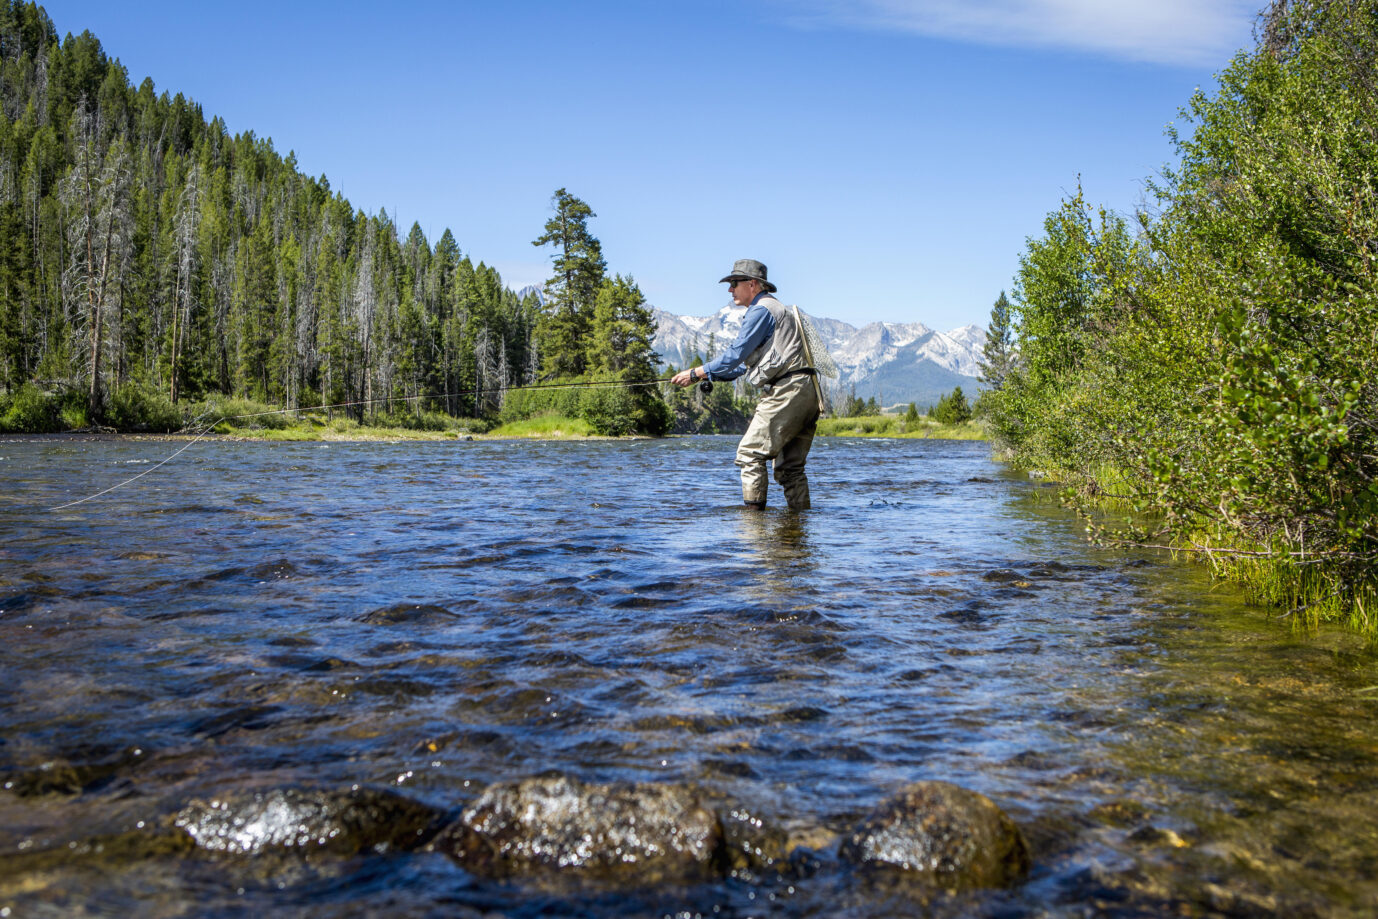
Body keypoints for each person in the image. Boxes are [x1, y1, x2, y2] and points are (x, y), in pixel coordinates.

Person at [671, 259, 820, 510]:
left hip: (787, 390)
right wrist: (710, 376)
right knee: (790, 468)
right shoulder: (776, 310)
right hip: (809, 392)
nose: (730, 290)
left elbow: (736, 353)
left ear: (752, 284)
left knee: (750, 453)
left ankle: (754, 525)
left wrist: (697, 373)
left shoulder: (761, 310)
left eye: (734, 283)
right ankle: (798, 530)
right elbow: (744, 366)